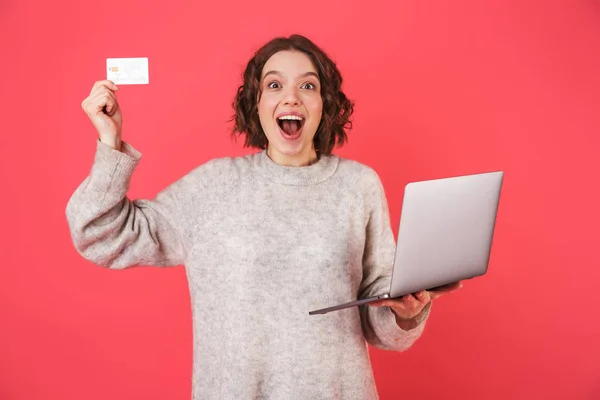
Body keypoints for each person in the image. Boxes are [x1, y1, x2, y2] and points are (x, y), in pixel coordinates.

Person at [66, 34, 461, 399]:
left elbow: (383, 329)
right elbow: (101, 234)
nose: (291, 97)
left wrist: (407, 314)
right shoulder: (214, 186)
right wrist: (109, 141)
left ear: (326, 104)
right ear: (255, 104)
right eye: (274, 85)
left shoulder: (358, 186)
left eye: (308, 86)